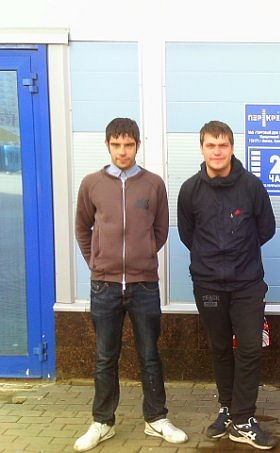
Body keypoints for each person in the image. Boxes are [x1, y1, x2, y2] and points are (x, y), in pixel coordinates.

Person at [74, 118, 188, 452]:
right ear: (107, 145)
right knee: (104, 357)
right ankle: (102, 422)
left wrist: (144, 254)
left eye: (128, 144)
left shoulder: (153, 184)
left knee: (150, 355)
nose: (122, 151)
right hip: (104, 286)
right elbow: (82, 227)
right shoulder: (91, 184)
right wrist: (97, 262)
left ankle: (156, 419)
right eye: (116, 145)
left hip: (144, 285)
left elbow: (161, 229)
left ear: (137, 145)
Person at [177, 120, 277, 450]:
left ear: (232, 148)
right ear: (202, 148)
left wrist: (238, 254)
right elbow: (188, 235)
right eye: (211, 145)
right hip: (208, 285)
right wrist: (211, 259)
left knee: (249, 349)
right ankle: (227, 408)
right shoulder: (190, 190)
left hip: (247, 284)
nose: (217, 151)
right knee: (220, 348)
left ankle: (243, 419)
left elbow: (266, 228)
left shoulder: (251, 187)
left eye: (223, 145)